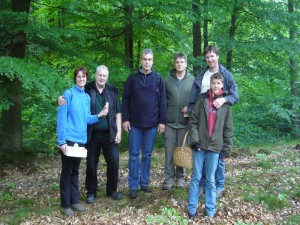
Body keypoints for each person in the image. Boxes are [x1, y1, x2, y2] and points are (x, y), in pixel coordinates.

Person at [58, 65, 123, 204]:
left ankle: (112, 190)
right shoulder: (87, 89)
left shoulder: (112, 91)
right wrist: (60, 99)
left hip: (109, 134)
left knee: (114, 163)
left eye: (104, 75)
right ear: (95, 75)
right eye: (100, 75)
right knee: (91, 164)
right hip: (91, 135)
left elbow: (118, 113)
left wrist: (119, 131)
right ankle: (91, 192)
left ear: (107, 76)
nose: (102, 78)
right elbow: (71, 96)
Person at [188, 45, 238, 197]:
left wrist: (223, 99)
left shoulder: (226, 75)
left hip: (219, 122)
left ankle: (219, 186)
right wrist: (190, 111)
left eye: (212, 56)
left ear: (217, 56)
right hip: (203, 121)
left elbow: (235, 96)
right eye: (207, 57)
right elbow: (194, 97)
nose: (210, 59)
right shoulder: (202, 75)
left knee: (219, 157)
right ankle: (203, 185)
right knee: (202, 155)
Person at [57, 67, 108, 216]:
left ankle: (74, 202)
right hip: (69, 140)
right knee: (67, 172)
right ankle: (65, 205)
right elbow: (61, 118)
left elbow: (86, 119)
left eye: (83, 77)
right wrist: (62, 141)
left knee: (75, 172)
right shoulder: (68, 94)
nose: (81, 79)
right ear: (75, 78)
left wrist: (100, 115)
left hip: (81, 140)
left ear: (86, 78)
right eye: (78, 77)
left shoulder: (86, 97)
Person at [122, 48, 167, 199]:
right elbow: (126, 99)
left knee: (147, 155)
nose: (147, 62)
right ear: (141, 60)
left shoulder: (159, 79)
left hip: (152, 125)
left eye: (149, 60)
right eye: (144, 59)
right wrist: (125, 119)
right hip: (134, 124)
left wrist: (162, 121)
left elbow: (162, 102)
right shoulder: (132, 78)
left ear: (152, 61)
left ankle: (144, 182)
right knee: (134, 155)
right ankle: (133, 185)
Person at [187, 73, 233, 218]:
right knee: (196, 177)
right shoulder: (202, 100)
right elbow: (193, 121)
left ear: (222, 85)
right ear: (210, 84)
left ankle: (210, 210)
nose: (216, 86)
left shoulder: (225, 105)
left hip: (215, 146)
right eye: (214, 83)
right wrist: (195, 141)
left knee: (210, 179)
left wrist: (227, 148)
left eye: (219, 83)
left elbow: (228, 129)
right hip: (200, 145)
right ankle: (192, 209)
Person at [162, 53, 194, 190]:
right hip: (169, 122)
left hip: (184, 123)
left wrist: (190, 108)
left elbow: (196, 101)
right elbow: (162, 101)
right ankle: (168, 180)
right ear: (174, 64)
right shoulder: (167, 80)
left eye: (182, 62)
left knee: (182, 151)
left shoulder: (192, 80)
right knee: (169, 152)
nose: (179, 64)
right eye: (177, 62)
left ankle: (180, 178)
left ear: (186, 64)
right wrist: (162, 121)